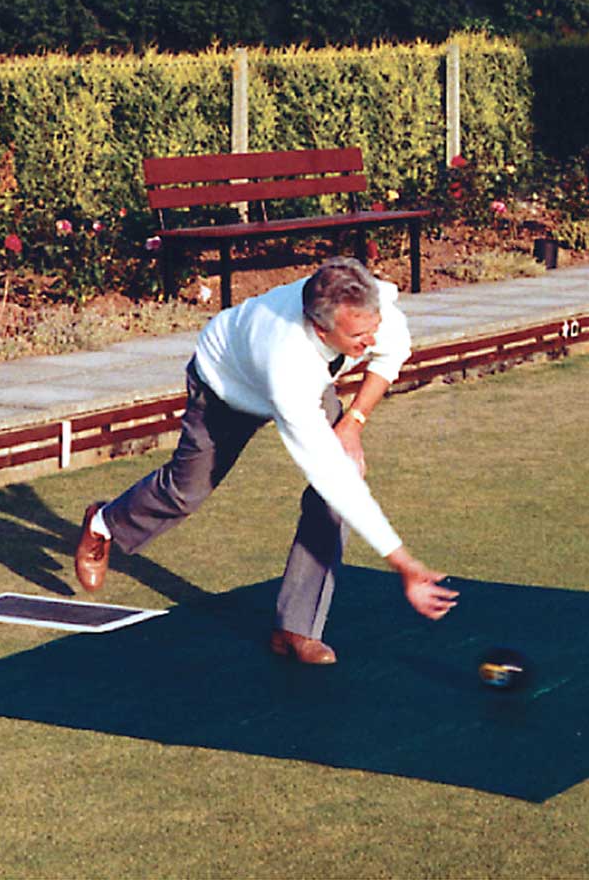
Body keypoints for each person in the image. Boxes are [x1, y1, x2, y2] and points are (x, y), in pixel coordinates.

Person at [75, 257, 458, 664]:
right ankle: (104, 522)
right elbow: (332, 476)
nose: (370, 340)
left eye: (373, 327)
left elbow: (391, 352)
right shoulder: (288, 362)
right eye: (358, 336)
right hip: (225, 383)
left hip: (307, 382)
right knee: (185, 493)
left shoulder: (370, 305)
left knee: (335, 491)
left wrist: (353, 423)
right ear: (321, 328)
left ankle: (296, 629)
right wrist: (403, 563)